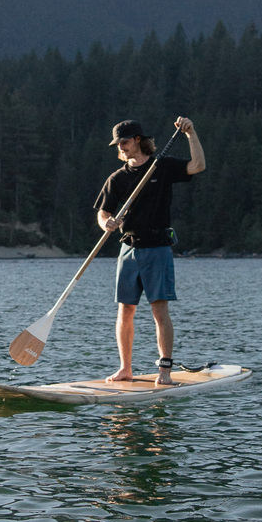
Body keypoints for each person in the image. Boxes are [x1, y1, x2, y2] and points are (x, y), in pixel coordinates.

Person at [94, 117, 205, 385]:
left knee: (159, 311)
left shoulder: (162, 167)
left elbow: (198, 166)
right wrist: (106, 223)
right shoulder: (117, 178)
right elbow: (103, 212)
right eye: (117, 144)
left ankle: (164, 371)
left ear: (138, 141)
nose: (120, 147)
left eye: (124, 142)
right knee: (125, 311)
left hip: (157, 249)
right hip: (129, 249)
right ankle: (125, 369)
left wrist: (191, 134)